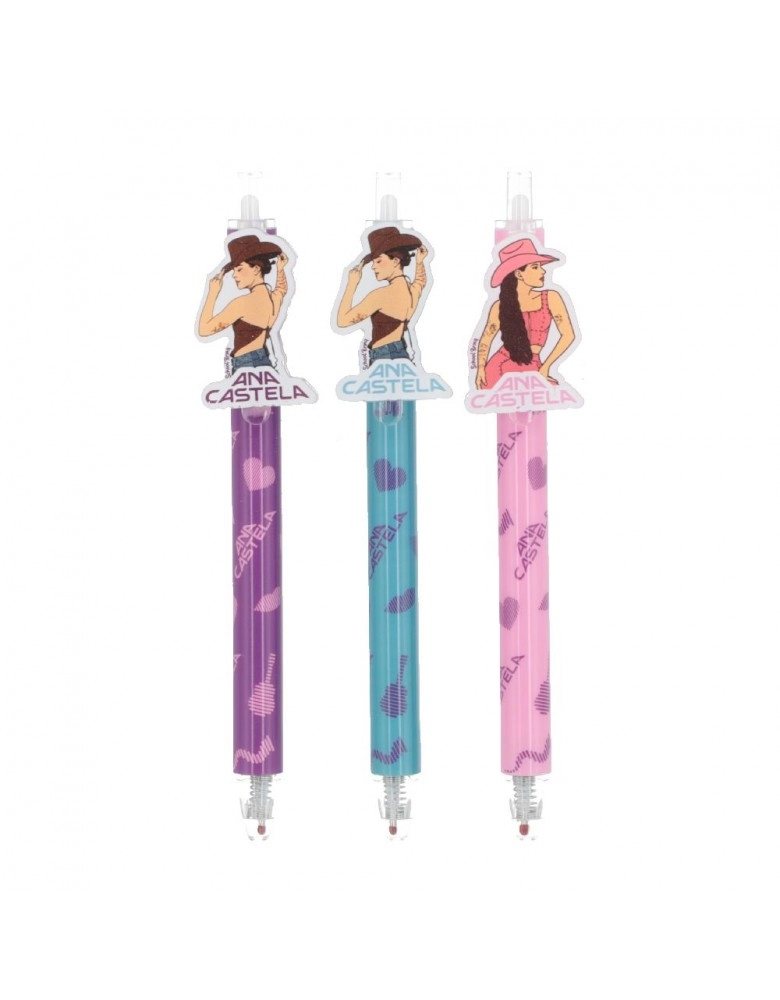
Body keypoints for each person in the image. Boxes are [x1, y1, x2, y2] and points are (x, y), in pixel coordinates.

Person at [475, 238, 576, 389]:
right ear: (519, 274)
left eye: (540, 266)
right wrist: (480, 369)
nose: (543, 271)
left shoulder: (550, 297)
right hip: (499, 367)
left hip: (533, 364)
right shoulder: (500, 306)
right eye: (535, 267)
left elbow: (568, 335)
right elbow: (486, 339)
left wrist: (546, 366)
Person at [336, 226, 428, 365]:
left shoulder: (381, 296)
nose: (373, 267)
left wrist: (352, 284)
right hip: (401, 353)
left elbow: (342, 321)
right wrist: (419, 262)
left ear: (396, 261)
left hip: (384, 356)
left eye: (378, 261)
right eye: (373, 262)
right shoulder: (410, 292)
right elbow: (420, 282)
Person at [198, 234, 288, 374]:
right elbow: (281, 289)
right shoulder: (272, 299)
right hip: (263, 361)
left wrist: (212, 293)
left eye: (239, 269)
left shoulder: (242, 304)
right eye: (234, 271)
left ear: (256, 269)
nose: (234, 275)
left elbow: (204, 330)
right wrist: (280, 269)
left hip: (246, 365)